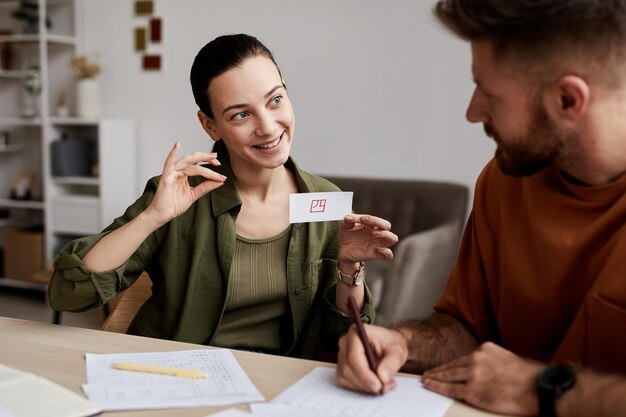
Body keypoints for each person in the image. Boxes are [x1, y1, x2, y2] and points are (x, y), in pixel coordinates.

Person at [336, 1, 626, 415]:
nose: (473, 112)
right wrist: (400, 342)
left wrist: (540, 388)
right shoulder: (505, 179)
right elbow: (467, 331)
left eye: (490, 94)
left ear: (567, 99)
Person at [48, 33, 397, 359]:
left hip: (278, 387)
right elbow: (70, 292)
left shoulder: (325, 201)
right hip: (177, 378)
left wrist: (350, 267)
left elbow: (344, 342)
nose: (268, 126)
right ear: (210, 125)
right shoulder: (180, 195)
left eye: (275, 100)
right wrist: (151, 217)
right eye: (241, 114)